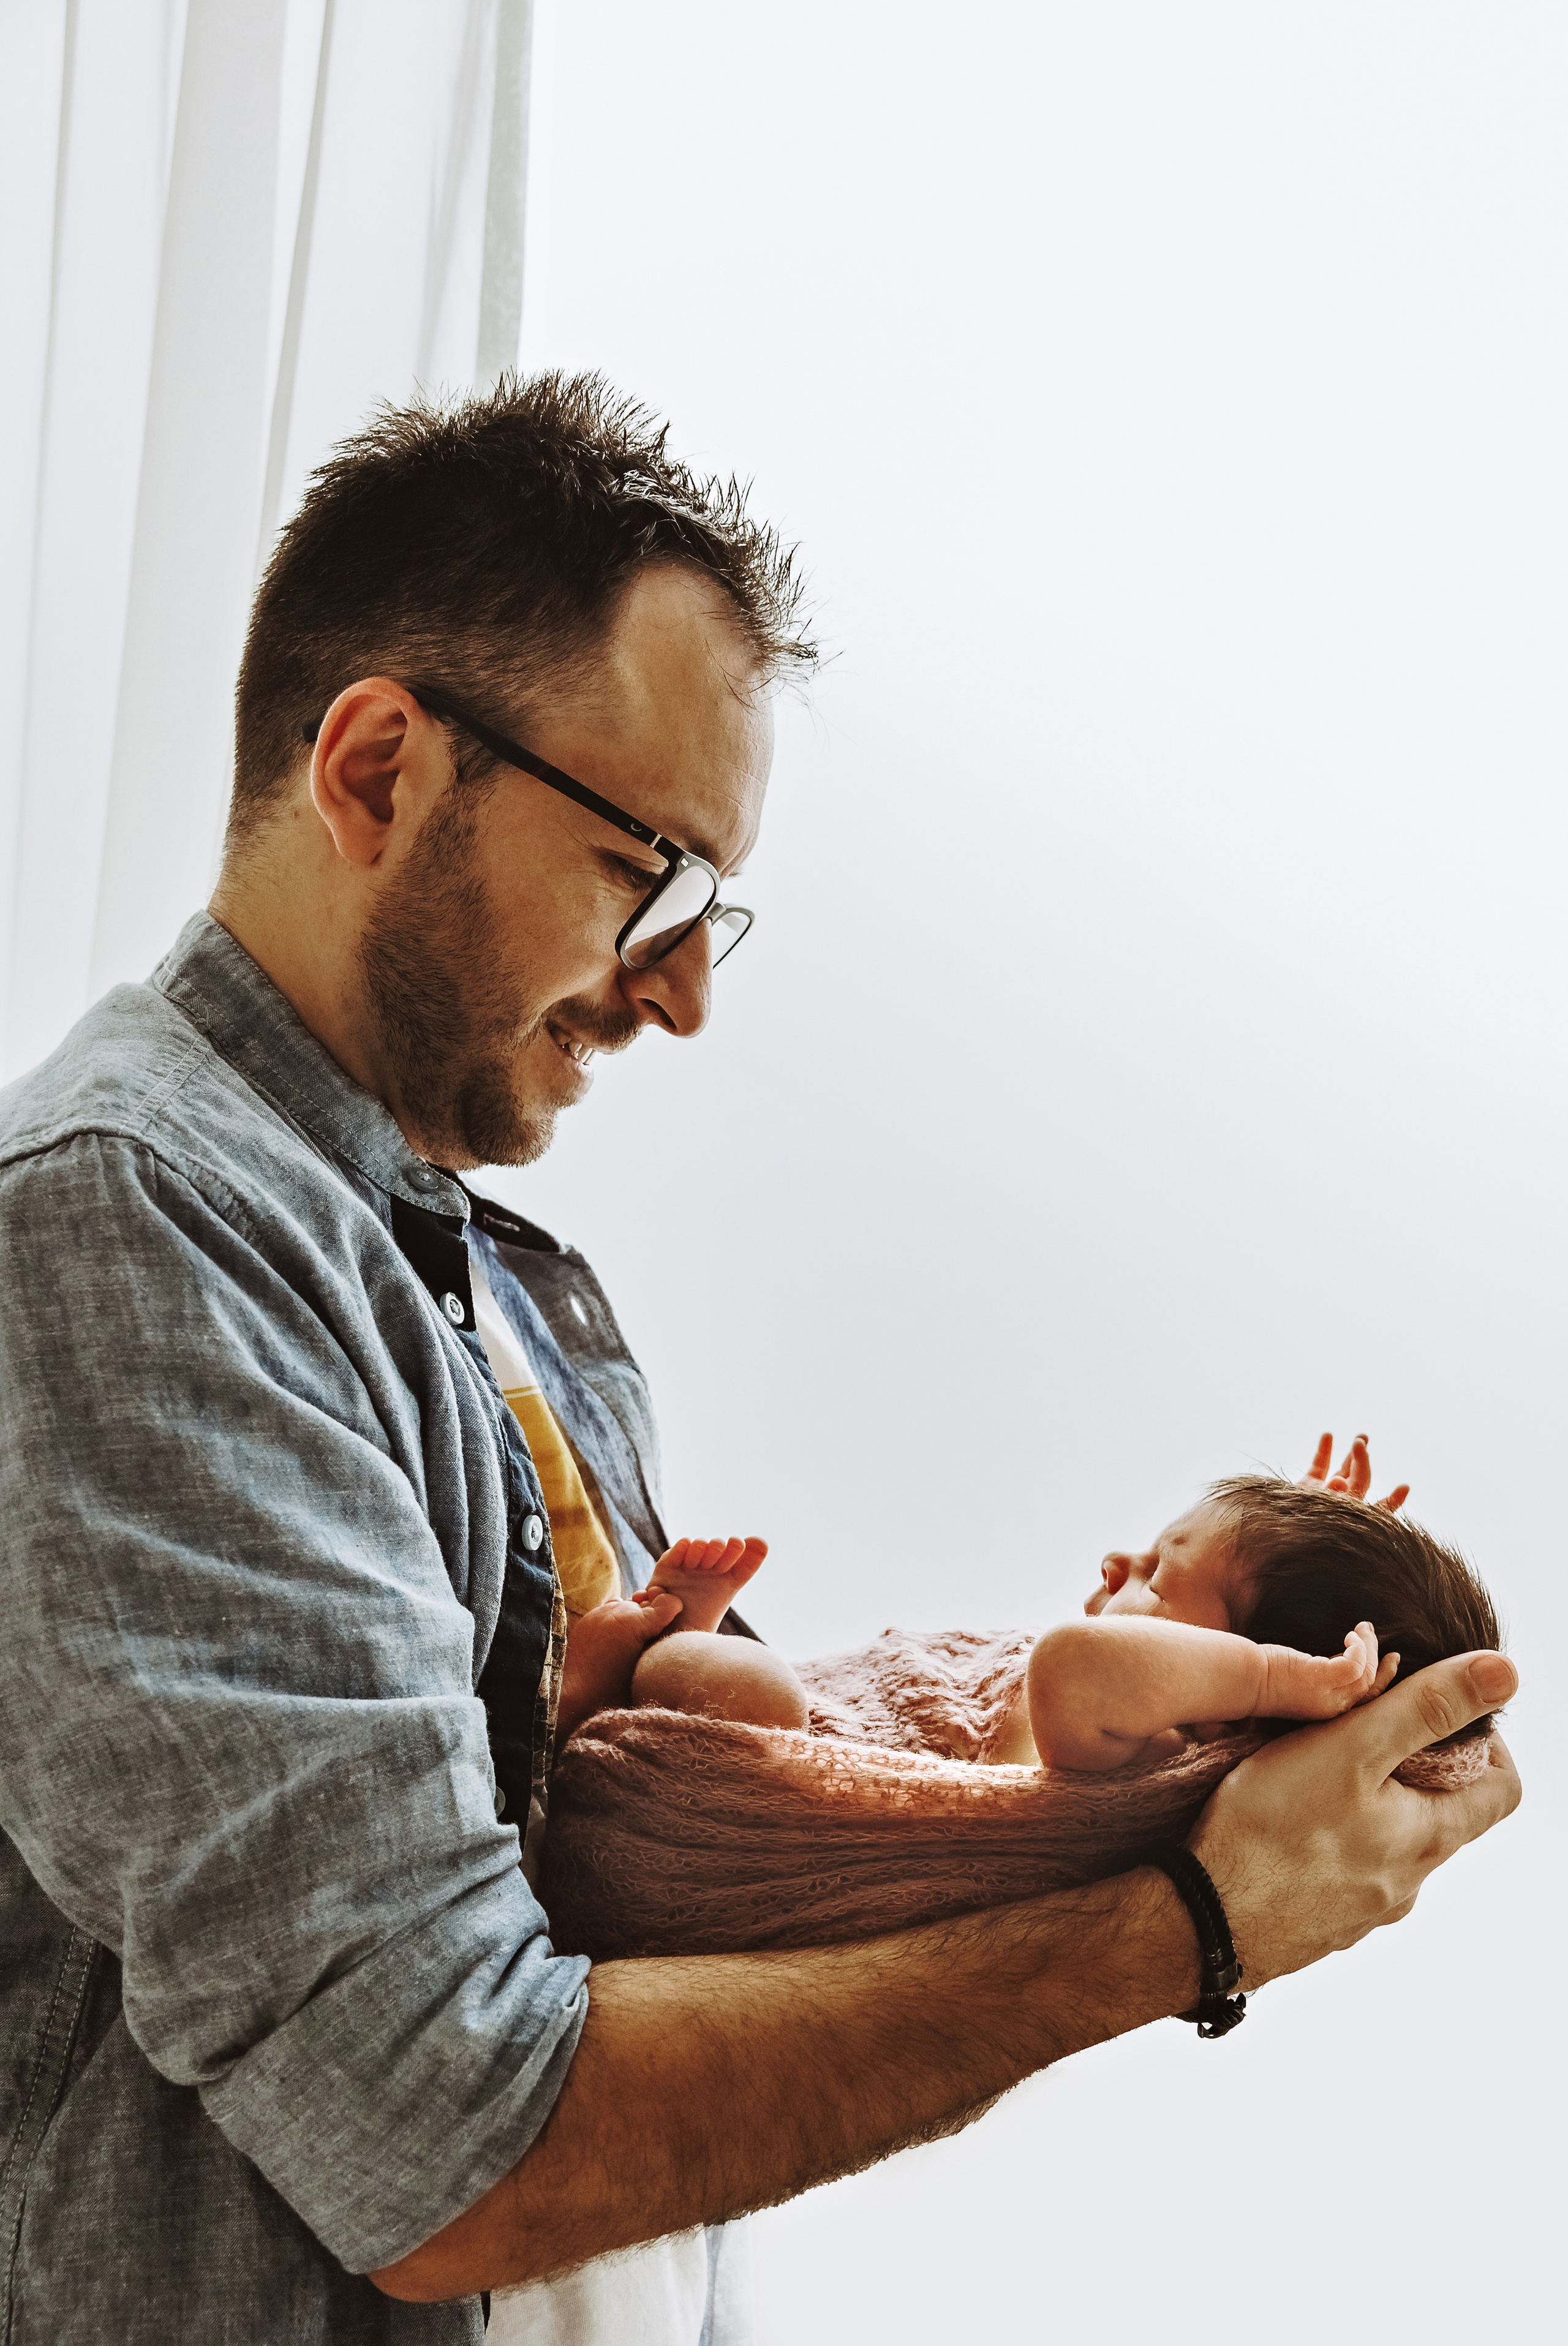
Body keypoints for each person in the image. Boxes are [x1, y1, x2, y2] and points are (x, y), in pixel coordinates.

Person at [0, 377, 1520, 2345]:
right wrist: (1193, 1923)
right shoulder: (127, 1225)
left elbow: (707, 1871)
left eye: (712, 908)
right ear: (376, 770)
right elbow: (441, 2141)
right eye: (649, 872)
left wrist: (1227, 1676)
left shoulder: (515, 1290)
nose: (685, 992)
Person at [570, 1437, 1499, 1774]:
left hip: (785, 1760)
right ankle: (656, 1669)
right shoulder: (1159, 1721)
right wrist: (1315, 1548)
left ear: (1225, 1710)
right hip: (795, 1727)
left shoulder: (1147, 1756)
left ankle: (644, 1663)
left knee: (740, 1685)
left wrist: (1281, 1677)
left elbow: (1083, 1665)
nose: (1118, 1562)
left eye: (1157, 1579)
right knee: (737, 1685)